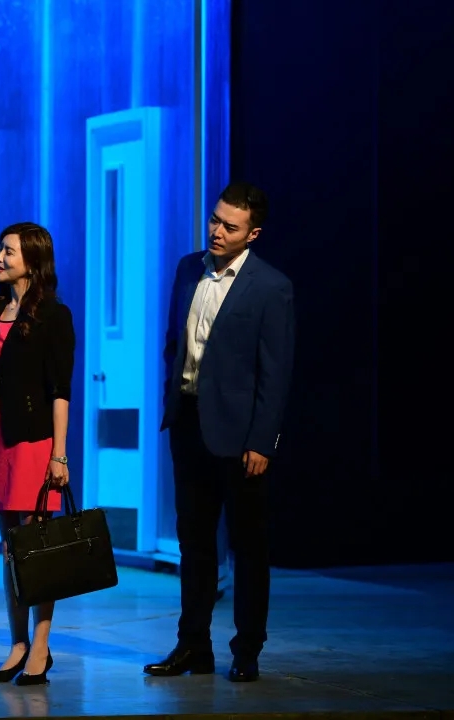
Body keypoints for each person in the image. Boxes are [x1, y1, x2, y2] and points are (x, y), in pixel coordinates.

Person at [145, 182, 295, 683]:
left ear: (252, 234)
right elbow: (175, 343)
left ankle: (247, 648)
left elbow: (275, 373)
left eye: (230, 226)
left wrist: (262, 440)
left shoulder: (270, 287)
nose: (216, 231)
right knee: (194, 542)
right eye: (215, 219)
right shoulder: (189, 268)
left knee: (248, 546)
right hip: (189, 423)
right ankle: (193, 645)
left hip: (240, 435)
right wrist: (172, 398)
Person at [0, 222, 75, 687]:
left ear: (32, 260)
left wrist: (60, 455)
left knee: (36, 548)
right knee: (10, 548)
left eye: (8, 251)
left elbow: (60, 391)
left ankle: (41, 647)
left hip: (34, 441)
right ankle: (16, 644)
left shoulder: (54, 315)